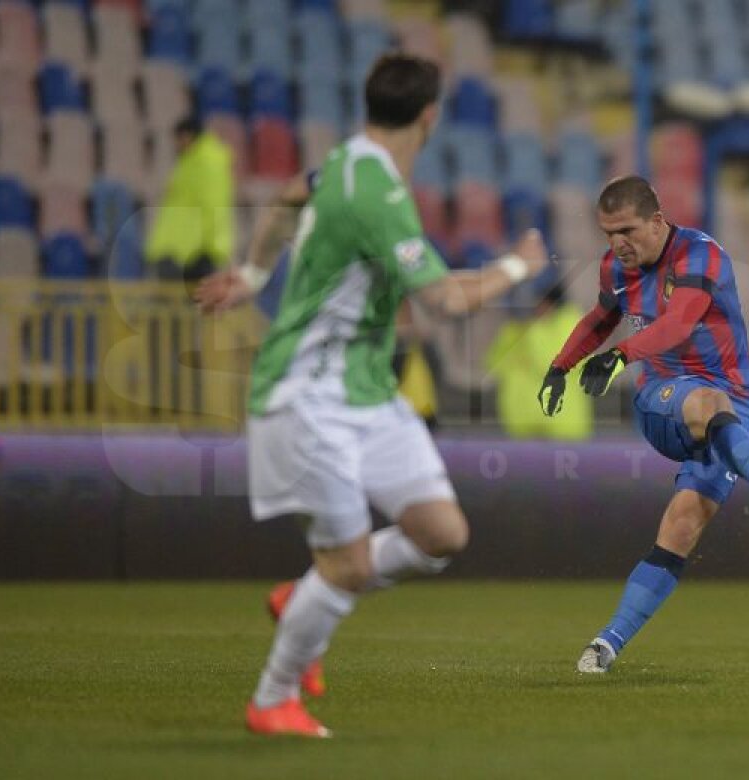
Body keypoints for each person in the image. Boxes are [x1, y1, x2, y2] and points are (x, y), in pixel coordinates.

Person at [194, 53, 547, 737]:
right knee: (350, 565)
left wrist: (253, 271)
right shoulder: (377, 197)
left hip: (366, 390)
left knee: (441, 534)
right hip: (307, 393)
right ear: (430, 116)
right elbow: (444, 301)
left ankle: (303, 594)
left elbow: (289, 195)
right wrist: (518, 266)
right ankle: (273, 699)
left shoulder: (343, 165)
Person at [539, 176, 749, 674]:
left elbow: (680, 322)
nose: (618, 243)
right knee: (705, 398)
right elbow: (601, 317)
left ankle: (605, 645)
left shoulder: (699, 256)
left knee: (681, 526)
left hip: (733, 411)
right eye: (608, 233)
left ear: (657, 222)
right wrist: (561, 364)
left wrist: (618, 355)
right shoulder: (616, 267)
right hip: (663, 401)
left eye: (627, 230)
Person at [486, 282, 593, 440]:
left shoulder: (571, 325)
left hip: (563, 426)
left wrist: (533, 330)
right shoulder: (516, 329)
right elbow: (494, 364)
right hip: (522, 422)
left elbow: (550, 364)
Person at [145, 116, 236, 282]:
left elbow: (212, 203)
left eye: (177, 139)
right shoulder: (192, 160)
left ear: (187, 136)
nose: (176, 145)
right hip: (185, 244)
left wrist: (209, 243)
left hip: (193, 247)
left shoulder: (205, 162)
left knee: (183, 301)